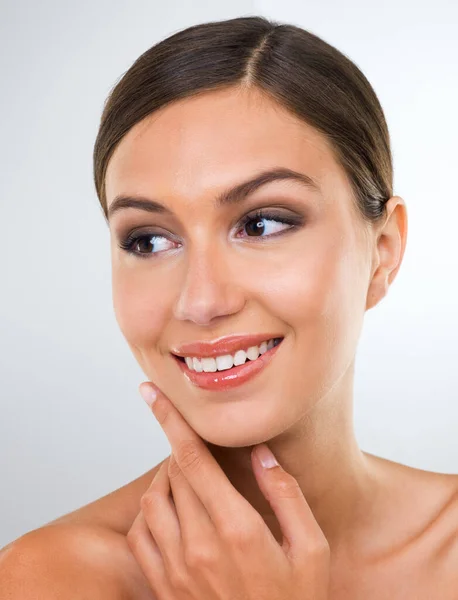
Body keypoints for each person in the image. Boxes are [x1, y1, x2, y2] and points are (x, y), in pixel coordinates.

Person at [1, 14, 457, 599]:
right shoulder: (52, 580)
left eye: (262, 224)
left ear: (383, 251)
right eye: (148, 240)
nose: (202, 300)